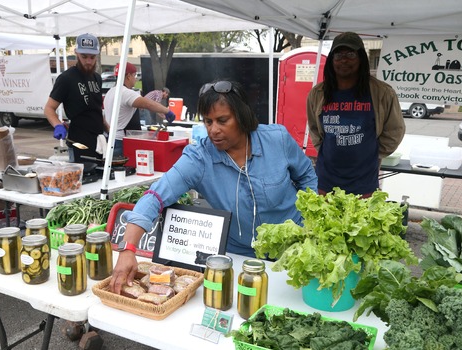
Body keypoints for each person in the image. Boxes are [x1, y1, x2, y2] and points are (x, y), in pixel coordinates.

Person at [109, 80, 317, 294]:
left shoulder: (277, 140)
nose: (213, 130)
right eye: (208, 122)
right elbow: (156, 196)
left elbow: (307, 176)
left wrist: (309, 222)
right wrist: (128, 249)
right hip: (240, 258)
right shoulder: (199, 159)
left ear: (243, 116)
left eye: (222, 120)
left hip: (294, 253)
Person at [306, 31, 405, 198]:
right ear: (332, 60)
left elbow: (395, 131)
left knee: (361, 224)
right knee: (326, 223)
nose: (344, 60)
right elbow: (315, 129)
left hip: (364, 182)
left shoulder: (382, 93)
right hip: (326, 181)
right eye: (338, 54)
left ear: (361, 58)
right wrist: (326, 150)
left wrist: (371, 154)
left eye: (351, 54)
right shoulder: (318, 93)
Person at [44, 33, 108, 163]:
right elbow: (49, 108)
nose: (88, 62)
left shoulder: (97, 78)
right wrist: (57, 125)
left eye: (92, 57)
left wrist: (109, 130)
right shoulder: (66, 78)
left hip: (99, 139)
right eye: (84, 57)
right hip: (79, 141)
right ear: (76, 53)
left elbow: (96, 110)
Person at [103, 62, 175, 157]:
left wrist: (158, 110)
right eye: (134, 75)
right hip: (121, 142)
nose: (135, 79)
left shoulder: (110, 92)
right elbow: (147, 103)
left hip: (111, 139)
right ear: (128, 76)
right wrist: (167, 111)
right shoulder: (126, 93)